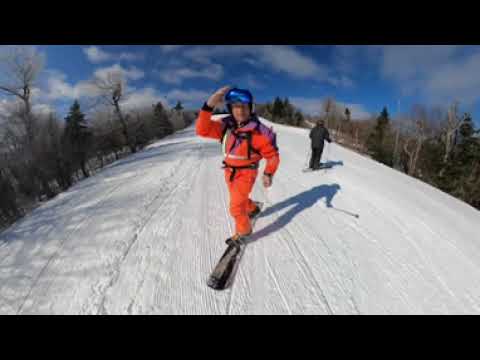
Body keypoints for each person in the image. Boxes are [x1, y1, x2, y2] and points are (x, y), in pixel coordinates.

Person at [196, 86, 280, 243]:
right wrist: (209, 105)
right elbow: (202, 130)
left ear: (251, 108)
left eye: (244, 107)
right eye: (236, 107)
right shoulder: (225, 127)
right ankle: (252, 208)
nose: (240, 111)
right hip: (229, 171)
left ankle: (244, 231)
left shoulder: (260, 132)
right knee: (238, 199)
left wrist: (269, 172)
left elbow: (273, 156)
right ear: (230, 108)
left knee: (235, 207)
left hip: (247, 173)